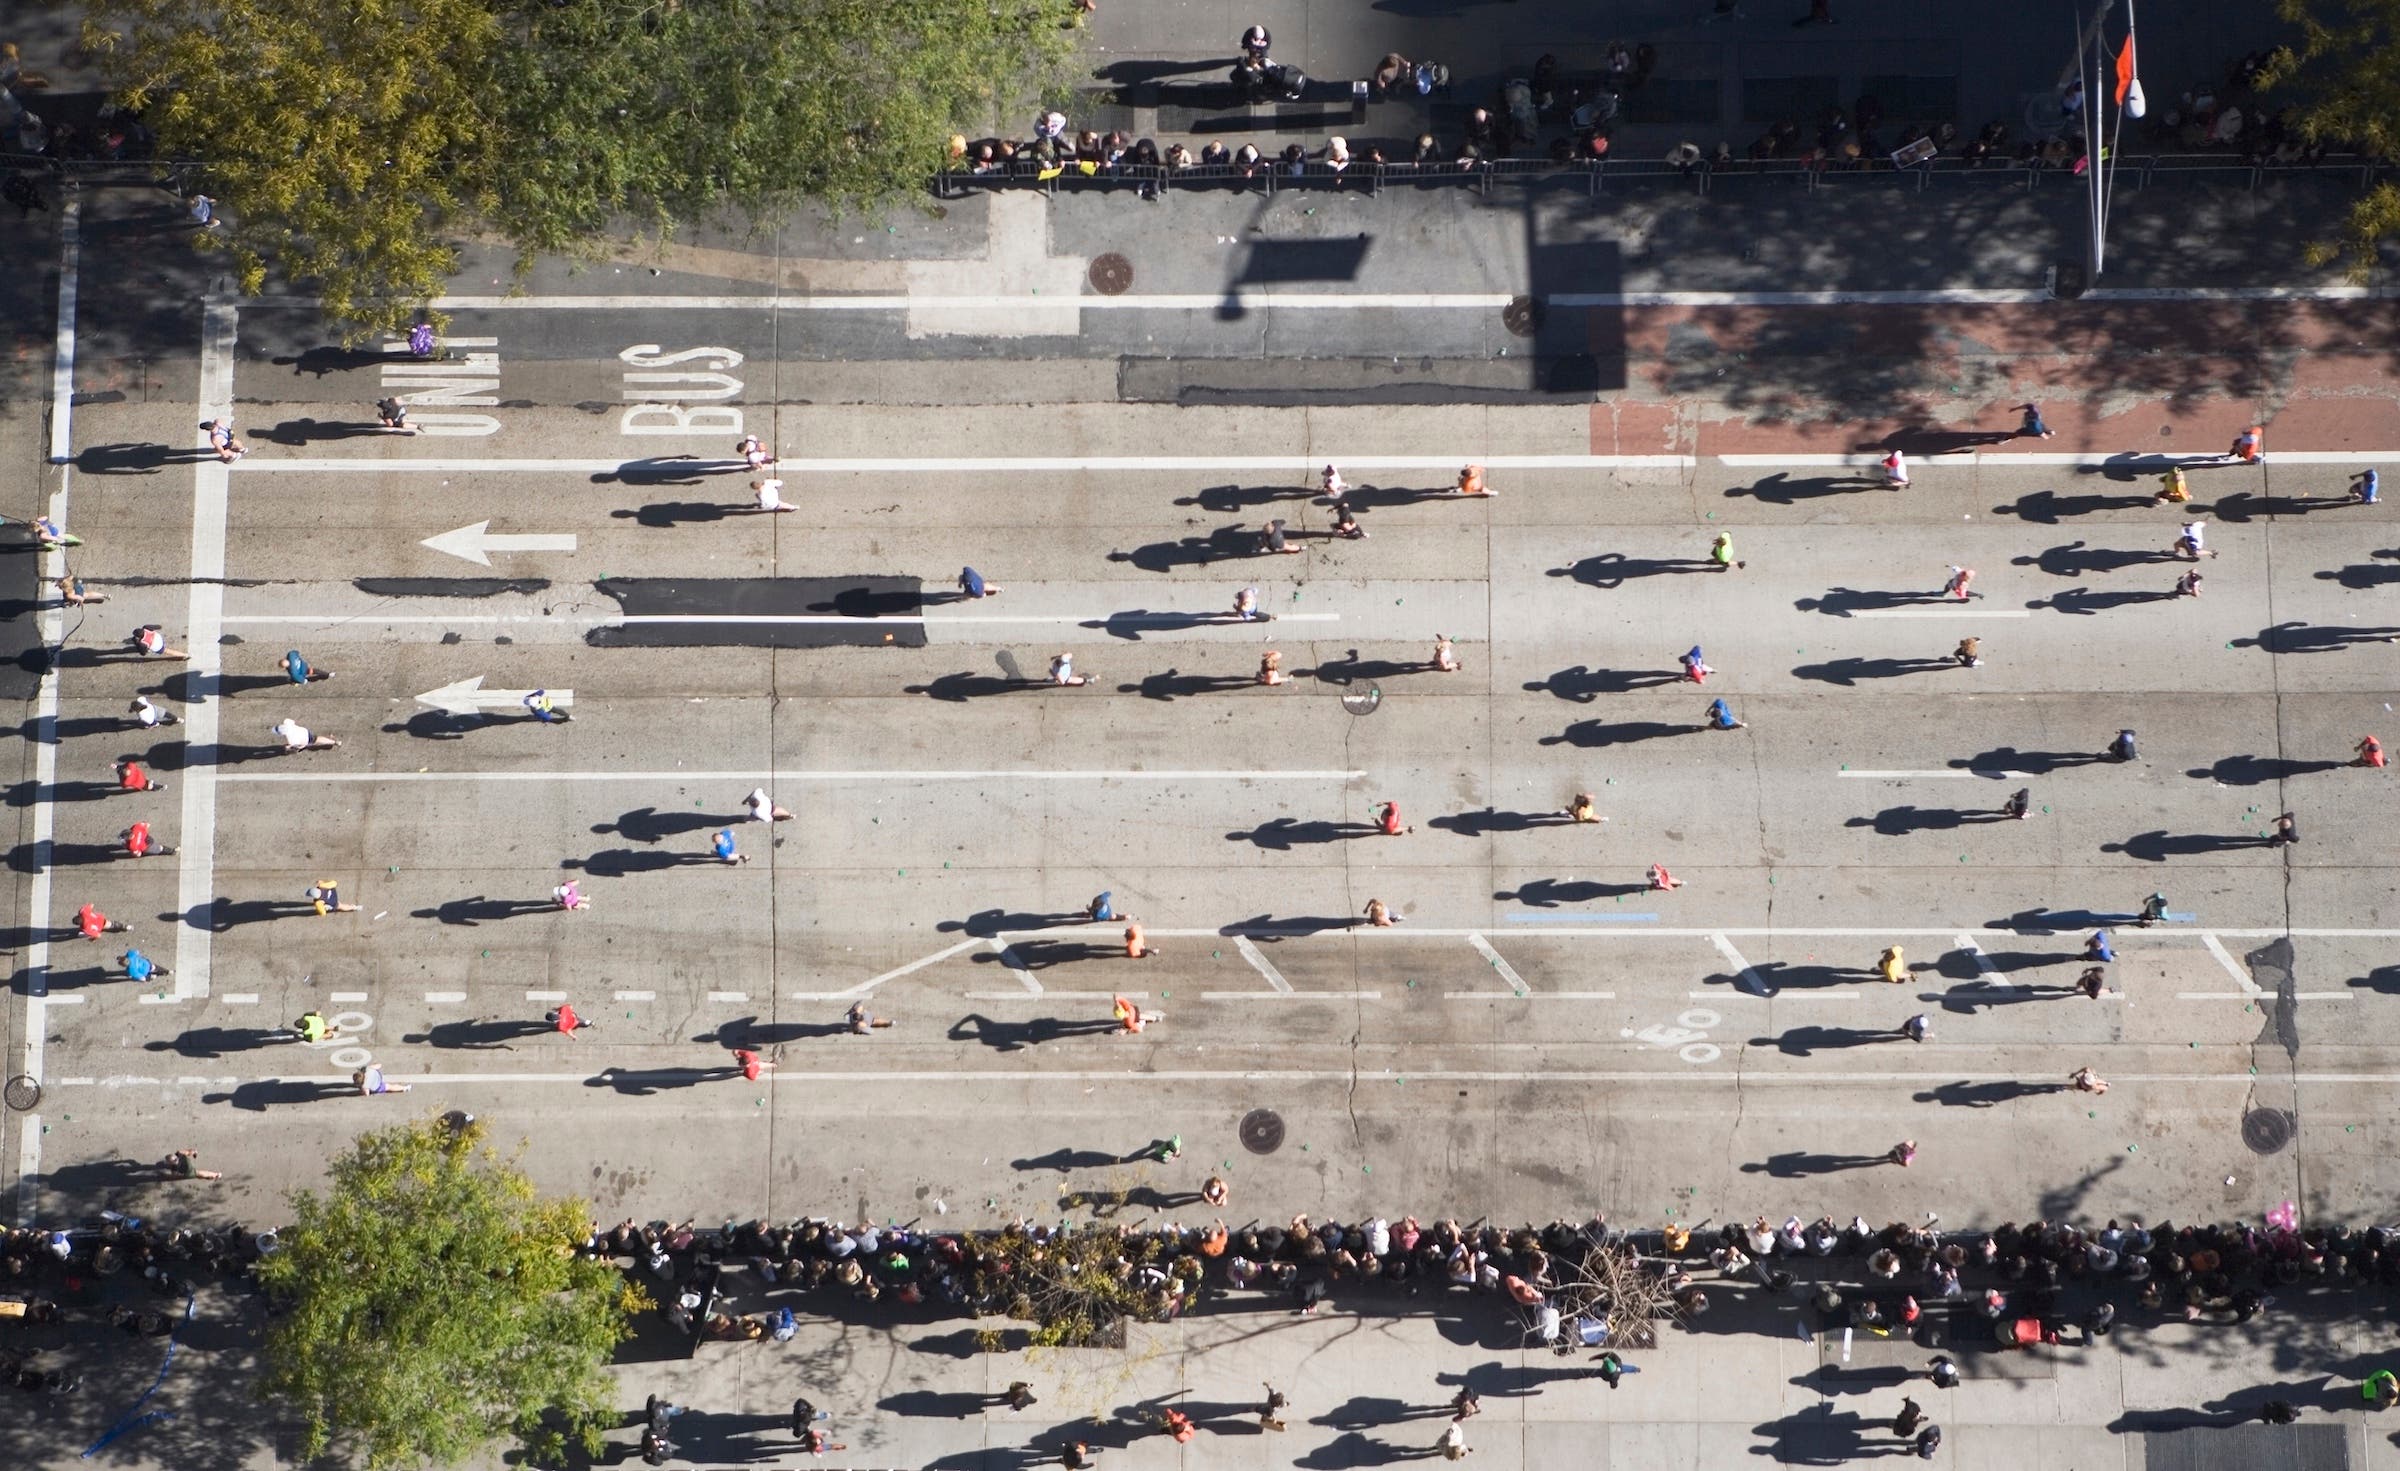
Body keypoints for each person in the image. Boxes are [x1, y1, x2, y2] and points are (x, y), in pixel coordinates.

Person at [271, 717, 339, 752]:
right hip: (305, 731)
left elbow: (297, 744)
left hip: (305, 739)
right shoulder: (287, 722)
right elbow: (292, 721)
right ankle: (332, 741)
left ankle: (333, 742)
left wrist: (288, 747)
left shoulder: (290, 739)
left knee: (316, 741)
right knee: (316, 738)